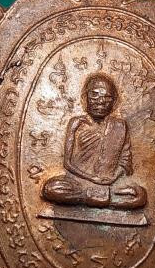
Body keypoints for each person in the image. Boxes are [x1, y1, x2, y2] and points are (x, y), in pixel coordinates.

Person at [42, 73, 147, 209]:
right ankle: (100, 199)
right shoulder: (77, 123)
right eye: (94, 95)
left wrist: (113, 177)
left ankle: (96, 197)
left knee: (140, 195)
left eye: (107, 97)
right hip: (78, 183)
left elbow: (125, 160)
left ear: (114, 102)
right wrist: (92, 178)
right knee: (50, 189)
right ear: (85, 97)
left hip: (109, 184)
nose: (101, 101)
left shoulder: (120, 126)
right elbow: (67, 163)